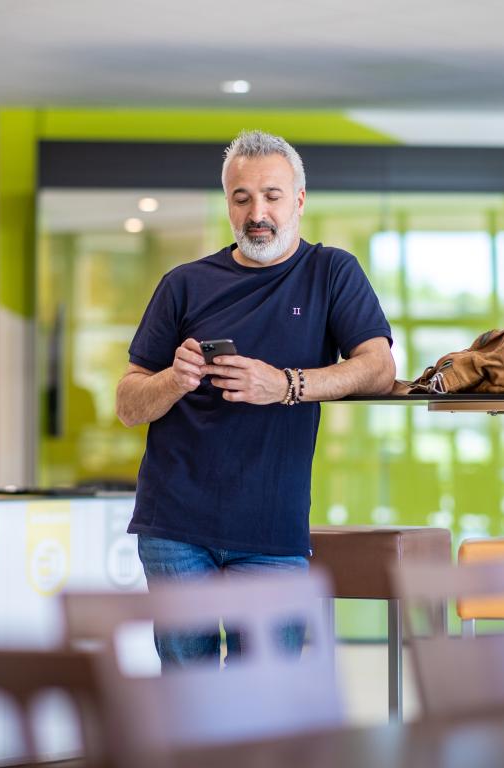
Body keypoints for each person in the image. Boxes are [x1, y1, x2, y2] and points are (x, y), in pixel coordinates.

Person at [115, 129, 396, 665]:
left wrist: (285, 384)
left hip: (272, 529)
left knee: (267, 701)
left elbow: (379, 369)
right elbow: (128, 404)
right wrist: (172, 380)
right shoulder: (184, 284)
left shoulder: (331, 272)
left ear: (299, 201)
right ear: (228, 204)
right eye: (241, 198)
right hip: (173, 525)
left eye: (271, 195)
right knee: (188, 698)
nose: (256, 212)